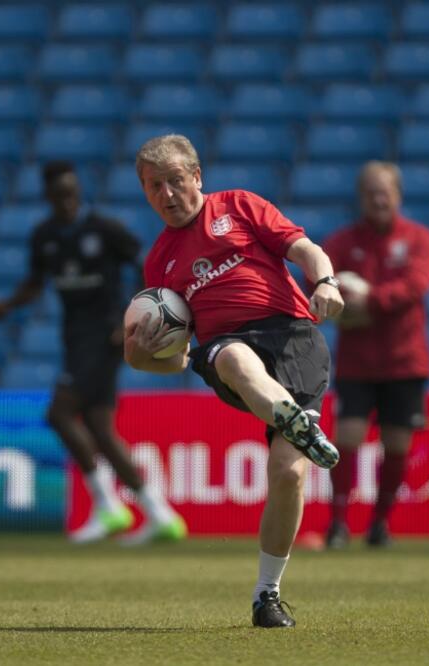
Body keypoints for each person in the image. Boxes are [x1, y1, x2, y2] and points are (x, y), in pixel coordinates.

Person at [125, 135, 344, 628]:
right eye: (153, 186)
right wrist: (140, 357)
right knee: (234, 358)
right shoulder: (159, 264)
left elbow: (304, 248)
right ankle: (294, 421)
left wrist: (326, 280)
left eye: (176, 181)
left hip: (293, 338)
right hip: (226, 350)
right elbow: (175, 361)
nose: (167, 194)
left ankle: (267, 594)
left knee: (288, 474)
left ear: (197, 177)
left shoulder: (240, 206)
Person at [0, 161, 186, 545]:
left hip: (107, 336)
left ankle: (108, 506)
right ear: (49, 196)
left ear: (79, 192)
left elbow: (148, 266)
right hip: (73, 338)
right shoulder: (44, 236)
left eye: (72, 193)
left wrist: (134, 315)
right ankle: (161, 515)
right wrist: (8, 305)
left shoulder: (104, 229)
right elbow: (35, 282)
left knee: (59, 413)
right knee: (98, 426)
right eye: (60, 195)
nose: (67, 200)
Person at [320, 161, 429, 549]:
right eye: (370, 192)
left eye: (384, 191)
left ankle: (380, 525)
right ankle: (338, 524)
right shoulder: (342, 242)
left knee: (397, 445)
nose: (378, 198)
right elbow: (316, 278)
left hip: (405, 360)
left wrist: (369, 298)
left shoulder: (419, 239)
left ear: (398, 195)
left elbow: (415, 286)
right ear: (361, 198)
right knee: (347, 438)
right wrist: (334, 296)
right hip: (357, 361)